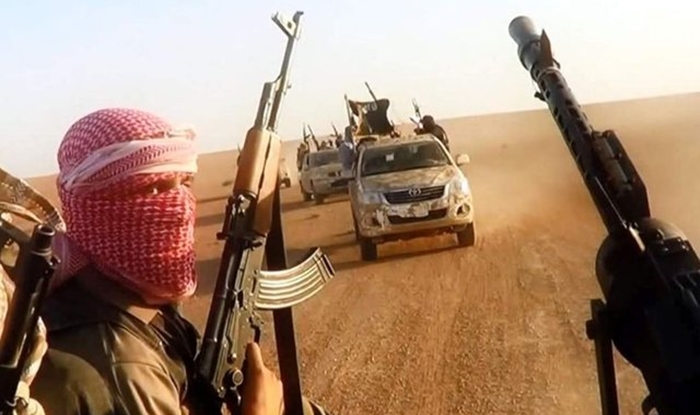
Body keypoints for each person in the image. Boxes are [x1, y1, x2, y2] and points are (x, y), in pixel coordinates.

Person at [30, 108, 331, 415]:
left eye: (184, 182)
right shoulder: (120, 370)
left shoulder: (125, 301)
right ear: (97, 206)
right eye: (154, 187)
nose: (180, 204)